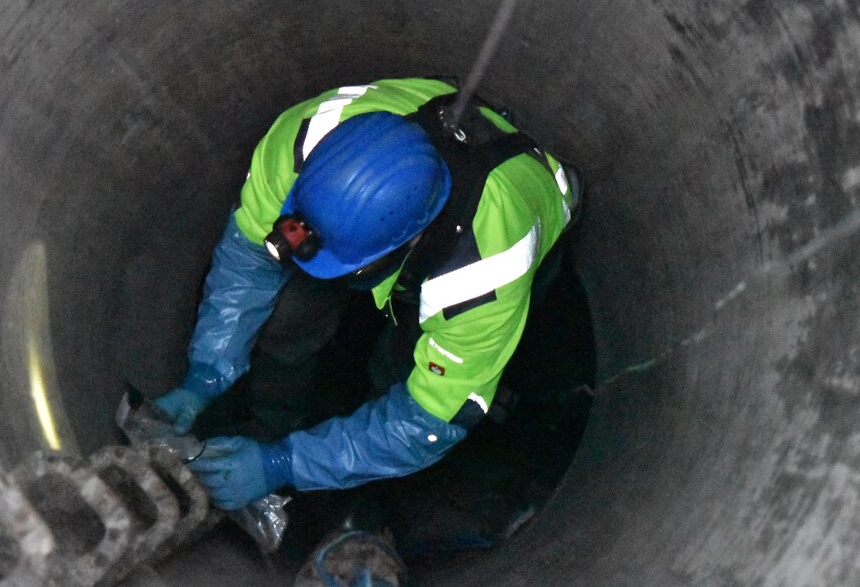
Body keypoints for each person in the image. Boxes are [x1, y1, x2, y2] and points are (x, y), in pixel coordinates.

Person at [154, 77, 580, 512]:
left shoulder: (484, 277)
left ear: (404, 246)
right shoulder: (303, 145)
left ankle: (366, 473)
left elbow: (426, 420)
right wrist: (207, 373)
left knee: (404, 365)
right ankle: (272, 421)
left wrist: (285, 464)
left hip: (532, 198)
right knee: (288, 316)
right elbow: (248, 260)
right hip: (418, 156)